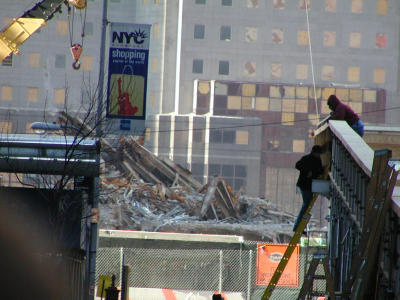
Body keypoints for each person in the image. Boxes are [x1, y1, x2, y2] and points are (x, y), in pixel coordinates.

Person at [293, 145, 324, 232]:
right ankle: (298, 227)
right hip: (305, 185)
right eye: (318, 154)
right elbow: (297, 165)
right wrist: (308, 171)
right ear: (315, 152)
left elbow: (320, 170)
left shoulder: (316, 160)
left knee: (307, 205)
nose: (319, 155)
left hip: (308, 185)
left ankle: (299, 226)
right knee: (306, 205)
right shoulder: (307, 159)